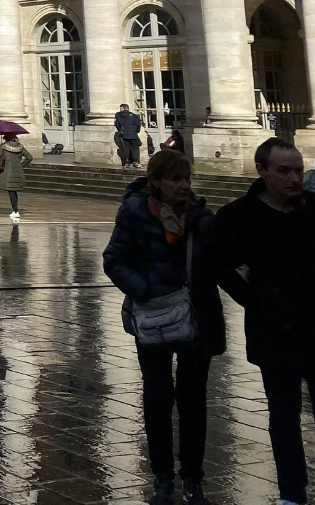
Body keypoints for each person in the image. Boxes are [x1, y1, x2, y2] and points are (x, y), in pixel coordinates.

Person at [103, 148, 223, 505]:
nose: (183, 186)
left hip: (196, 318)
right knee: (157, 399)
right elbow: (114, 260)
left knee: (193, 401)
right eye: (174, 179)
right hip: (153, 318)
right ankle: (162, 478)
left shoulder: (201, 215)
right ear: (155, 181)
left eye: (186, 178)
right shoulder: (135, 213)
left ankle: (193, 479)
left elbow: (221, 259)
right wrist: (146, 291)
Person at [208, 137, 315, 505]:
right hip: (275, 331)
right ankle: (291, 492)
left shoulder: (314, 209)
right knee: (284, 416)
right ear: (263, 171)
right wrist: (256, 299)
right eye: (284, 171)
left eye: (298, 171)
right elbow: (220, 266)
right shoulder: (238, 216)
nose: (293, 179)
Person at [0, 133, 34, 220]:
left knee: (11, 191)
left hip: (8, 171)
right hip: (18, 171)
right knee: (13, 191)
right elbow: (29, 157)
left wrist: (0, 148)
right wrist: (21, 165)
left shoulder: (3, 146)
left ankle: (15, 211)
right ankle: (15, 210)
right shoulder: (20, 147)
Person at [115, 103, 143, 169]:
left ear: (123, 108)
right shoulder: (133, 116)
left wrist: (120, 130)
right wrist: (137, 131)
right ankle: (136, 162)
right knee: (135, 149)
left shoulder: (118, 115)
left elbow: (116, 124)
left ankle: (125, 163)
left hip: (124, 134)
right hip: (133, 134)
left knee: (126, 148)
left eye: (120, 108)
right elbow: (138, 124)